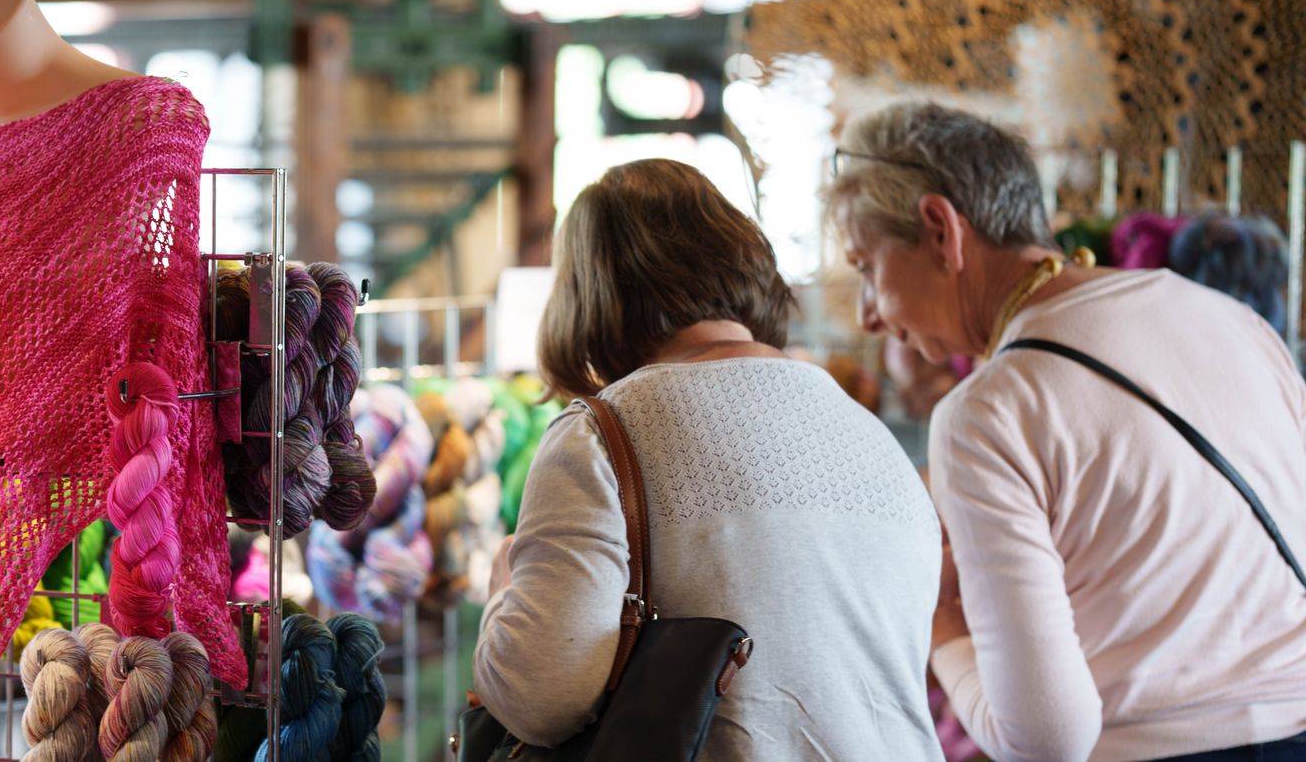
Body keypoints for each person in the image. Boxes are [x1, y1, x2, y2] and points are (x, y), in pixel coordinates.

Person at [829, 100, 1306, 761]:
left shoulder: (986, 413)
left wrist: (940, 624)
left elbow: (1044, 741)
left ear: (941, 230)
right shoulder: (1233, 321)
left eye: (865, 268)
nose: (868, 315)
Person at [473, 158, 944, 760]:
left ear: (593, 293)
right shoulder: (872, 435)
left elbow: (541, 695)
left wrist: (501, 593)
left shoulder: (604, 431)